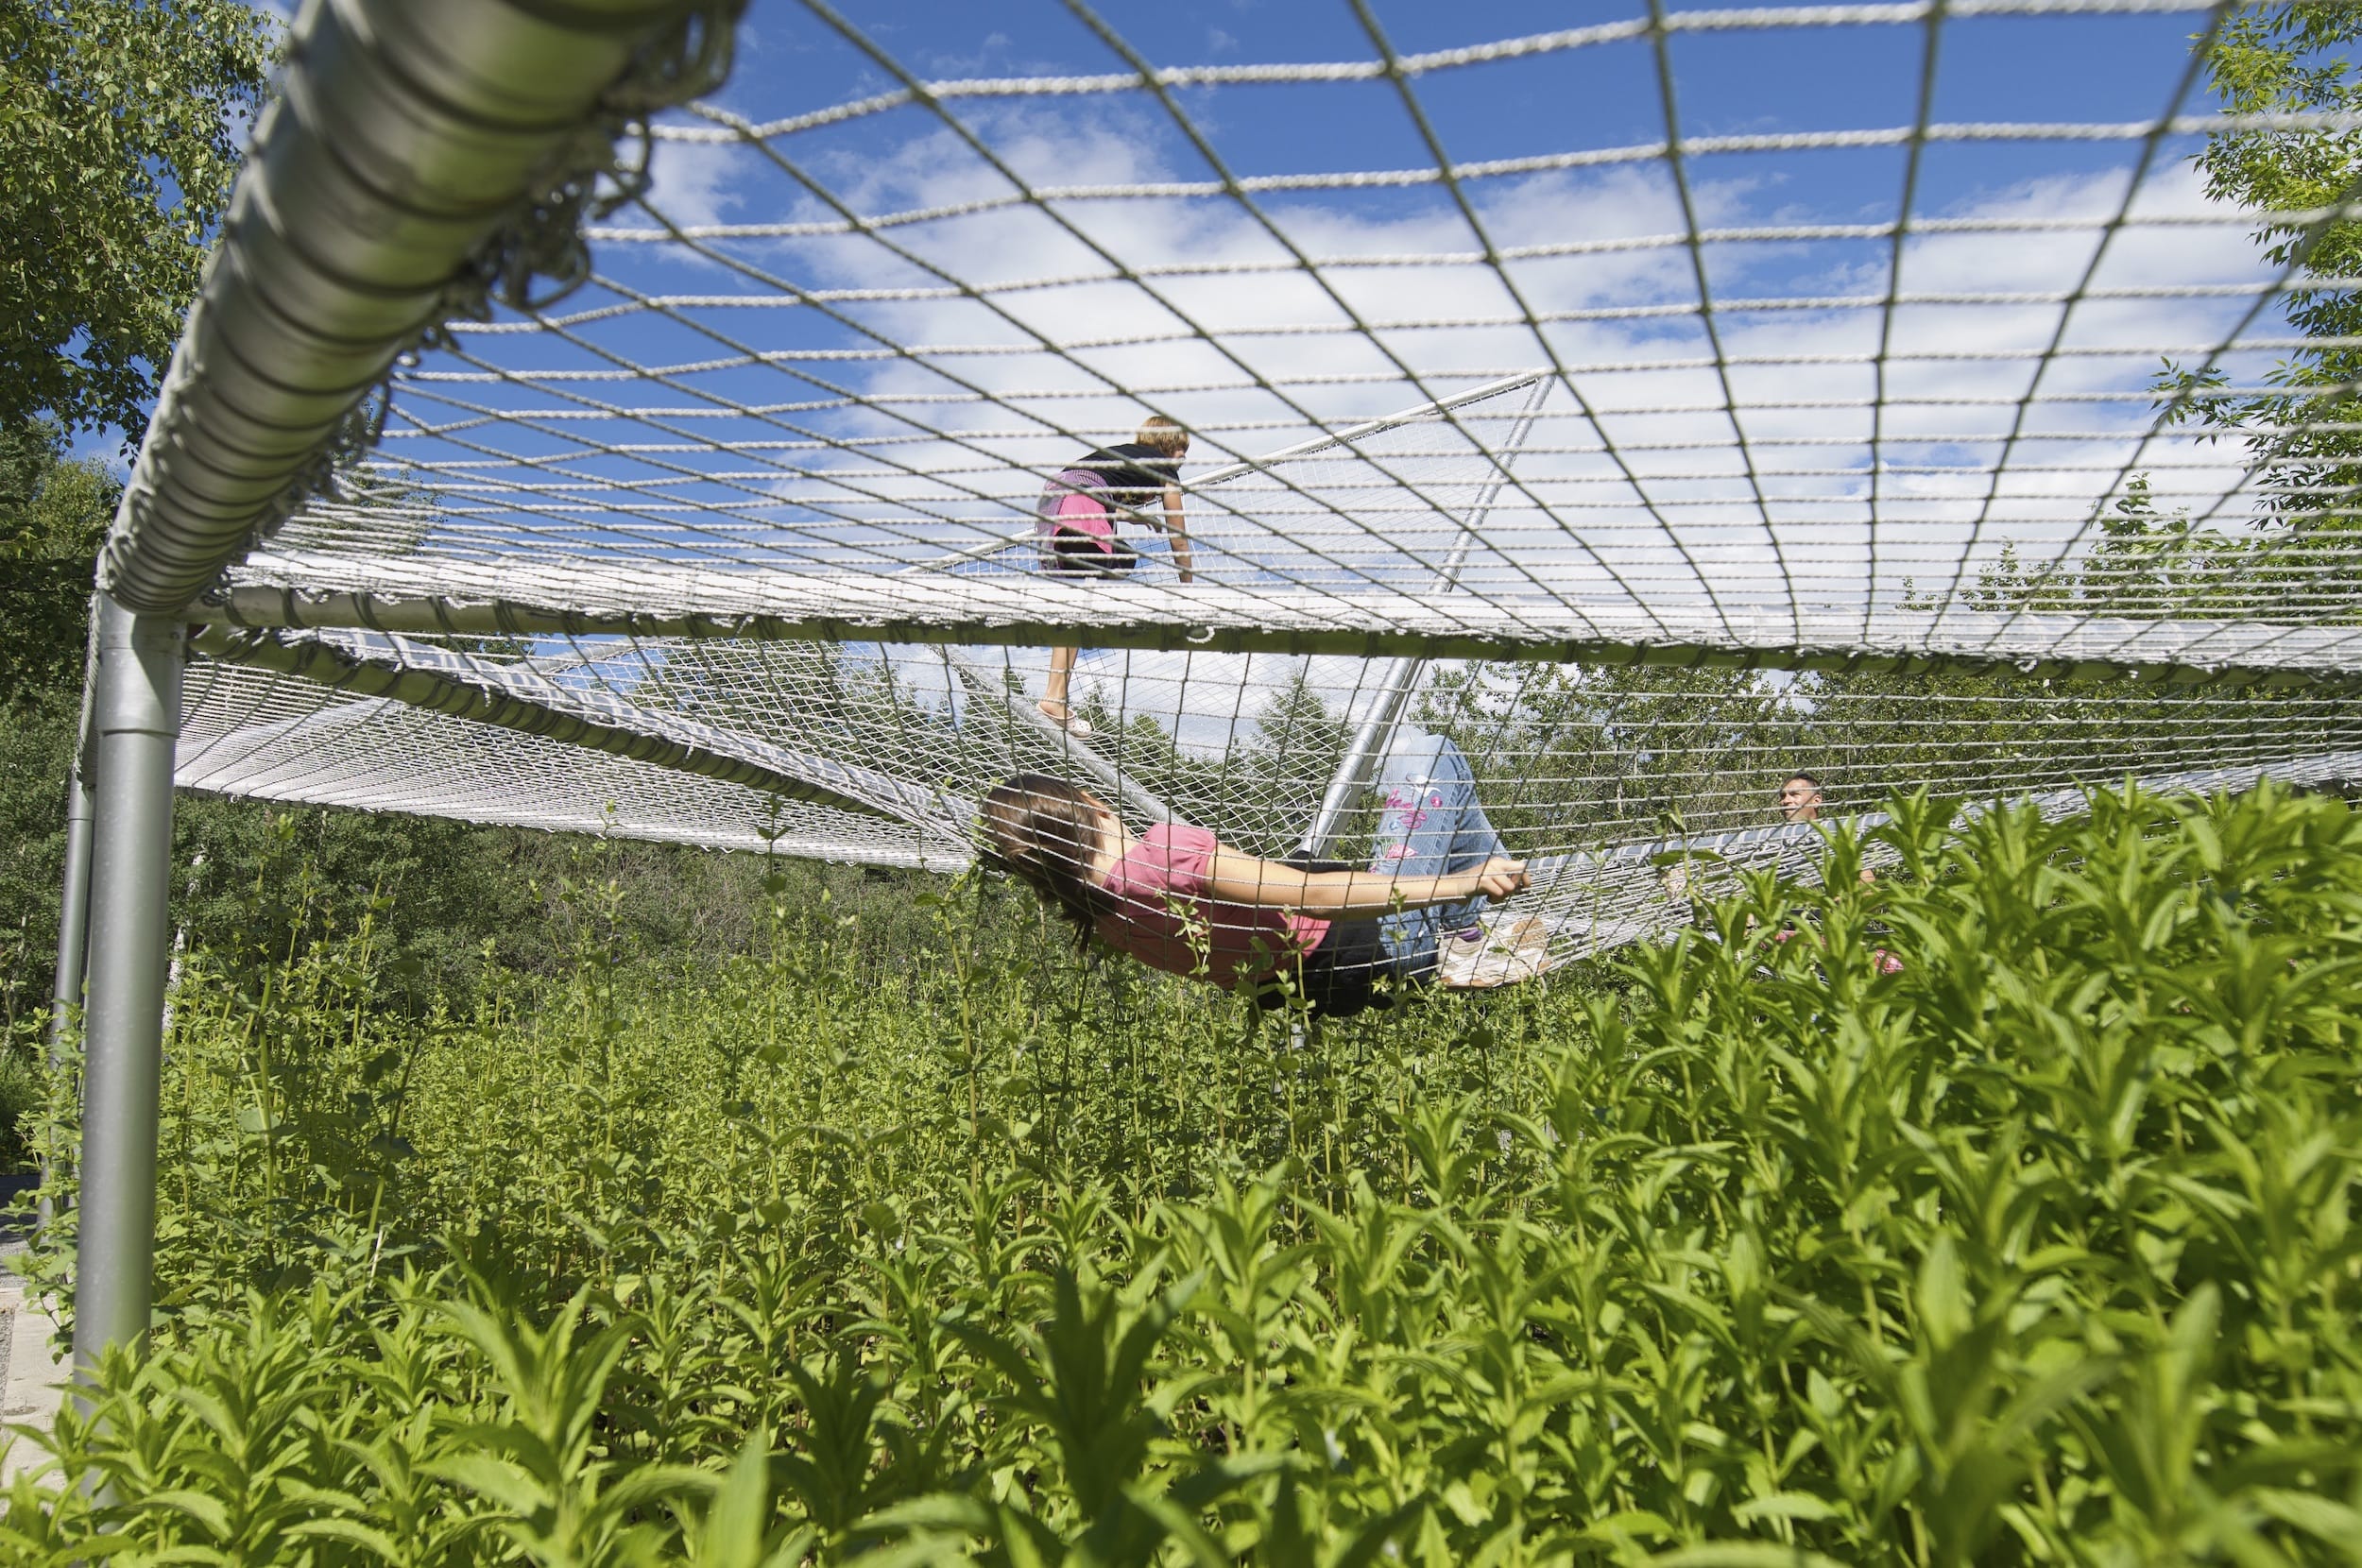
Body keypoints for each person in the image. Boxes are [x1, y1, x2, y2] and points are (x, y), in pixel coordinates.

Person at [979, 730, 1542, 1015]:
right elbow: (1317, 896)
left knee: (1456, 806)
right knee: (1428, 754)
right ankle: (1461, 928)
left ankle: (1464, 936)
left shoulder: (1102, 918)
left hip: (1328, 991)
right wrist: (1466, 882)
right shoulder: (1163, 855)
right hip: (1388, 944)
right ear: (1091, 804)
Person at [1036, 416, 1195, 734]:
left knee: (1085, 596)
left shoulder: (1121, 458)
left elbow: (1089, 489)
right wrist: (1189, 590)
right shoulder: (1163, 469)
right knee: (1103, 580)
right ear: (1167, 444)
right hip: (1080, 505)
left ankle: (1055, 695)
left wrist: (1131, 517)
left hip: (1054, 505)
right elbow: (1178, 535)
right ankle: (1055, 697)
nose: (1183, 457)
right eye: (1181, 448)